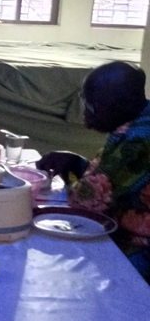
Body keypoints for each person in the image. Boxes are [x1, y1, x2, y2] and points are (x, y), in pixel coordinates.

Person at [36, 60, 150, 282]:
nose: (87, 121)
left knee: (63, 269)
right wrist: (77, 163)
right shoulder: (141, 119)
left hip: (141, 251)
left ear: (116, 105)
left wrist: (68, 170)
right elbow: (116, 180)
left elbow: (85, 203)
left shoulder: (136, 142)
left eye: (91, 109)